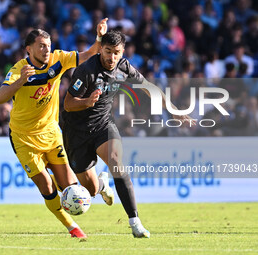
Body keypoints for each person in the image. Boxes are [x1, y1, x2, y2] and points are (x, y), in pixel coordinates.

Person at [62, 30, 194, 238]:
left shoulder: (123, 68)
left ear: (122, 52)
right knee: (92, 189)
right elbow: (68, 104)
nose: (111, 57)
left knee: (116, 161)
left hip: (102, 124)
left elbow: (148, 87)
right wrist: (87, 102)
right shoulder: (86, 71)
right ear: (101, 50)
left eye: (116, 52)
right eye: (107, 52)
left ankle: (135, 223)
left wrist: (173, 109)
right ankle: (103, 184)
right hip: (76, 131)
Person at [0, 18, 108, 239]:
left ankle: (101, 183)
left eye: (49, 45)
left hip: (51, 133)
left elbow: (89, 54)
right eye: (41, 46)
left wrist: (100, 36)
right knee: (46, 185)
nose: (47, 50)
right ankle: (72, 228)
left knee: (75, 191)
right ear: (29, 49)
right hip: (23, 137)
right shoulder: (19, 69)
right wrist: (19, 83)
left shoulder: (58, 59)